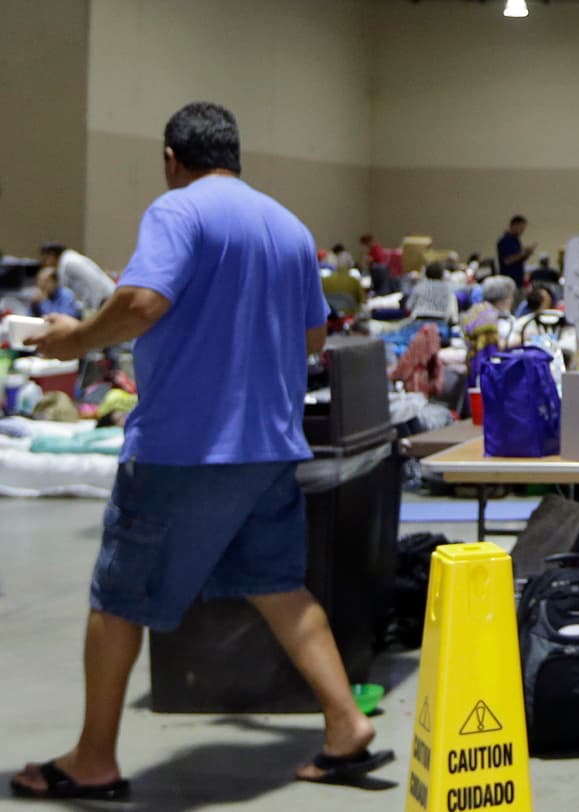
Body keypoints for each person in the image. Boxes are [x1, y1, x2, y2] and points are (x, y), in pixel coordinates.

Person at [12, 102, 392, 801]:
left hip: (184, 448)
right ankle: (345, 726)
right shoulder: (289, 228)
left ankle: (93, 758)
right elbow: (311, 339)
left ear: (170, 158)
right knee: (279, 586)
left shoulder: (177, 212)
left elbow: (143, 303)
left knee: (118, 597)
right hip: (269, 446)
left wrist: (73, 340)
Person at [40, 242, 116, 311]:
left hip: (105, 300)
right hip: (101, 301)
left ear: (52, 256)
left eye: (45, 259)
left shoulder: (70, 263)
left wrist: (96, 308)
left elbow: (94, 282)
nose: (45, 263)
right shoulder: (67, 263)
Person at [497, 215, 535, 288]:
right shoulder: (504, 241)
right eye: (521, 228)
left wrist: (527, 253)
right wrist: (523, 252)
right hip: (509, 280)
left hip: (519, 279)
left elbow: (519, 259)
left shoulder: (516, 240)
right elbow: (507, 261)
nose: (522, 231)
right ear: (514, 225)